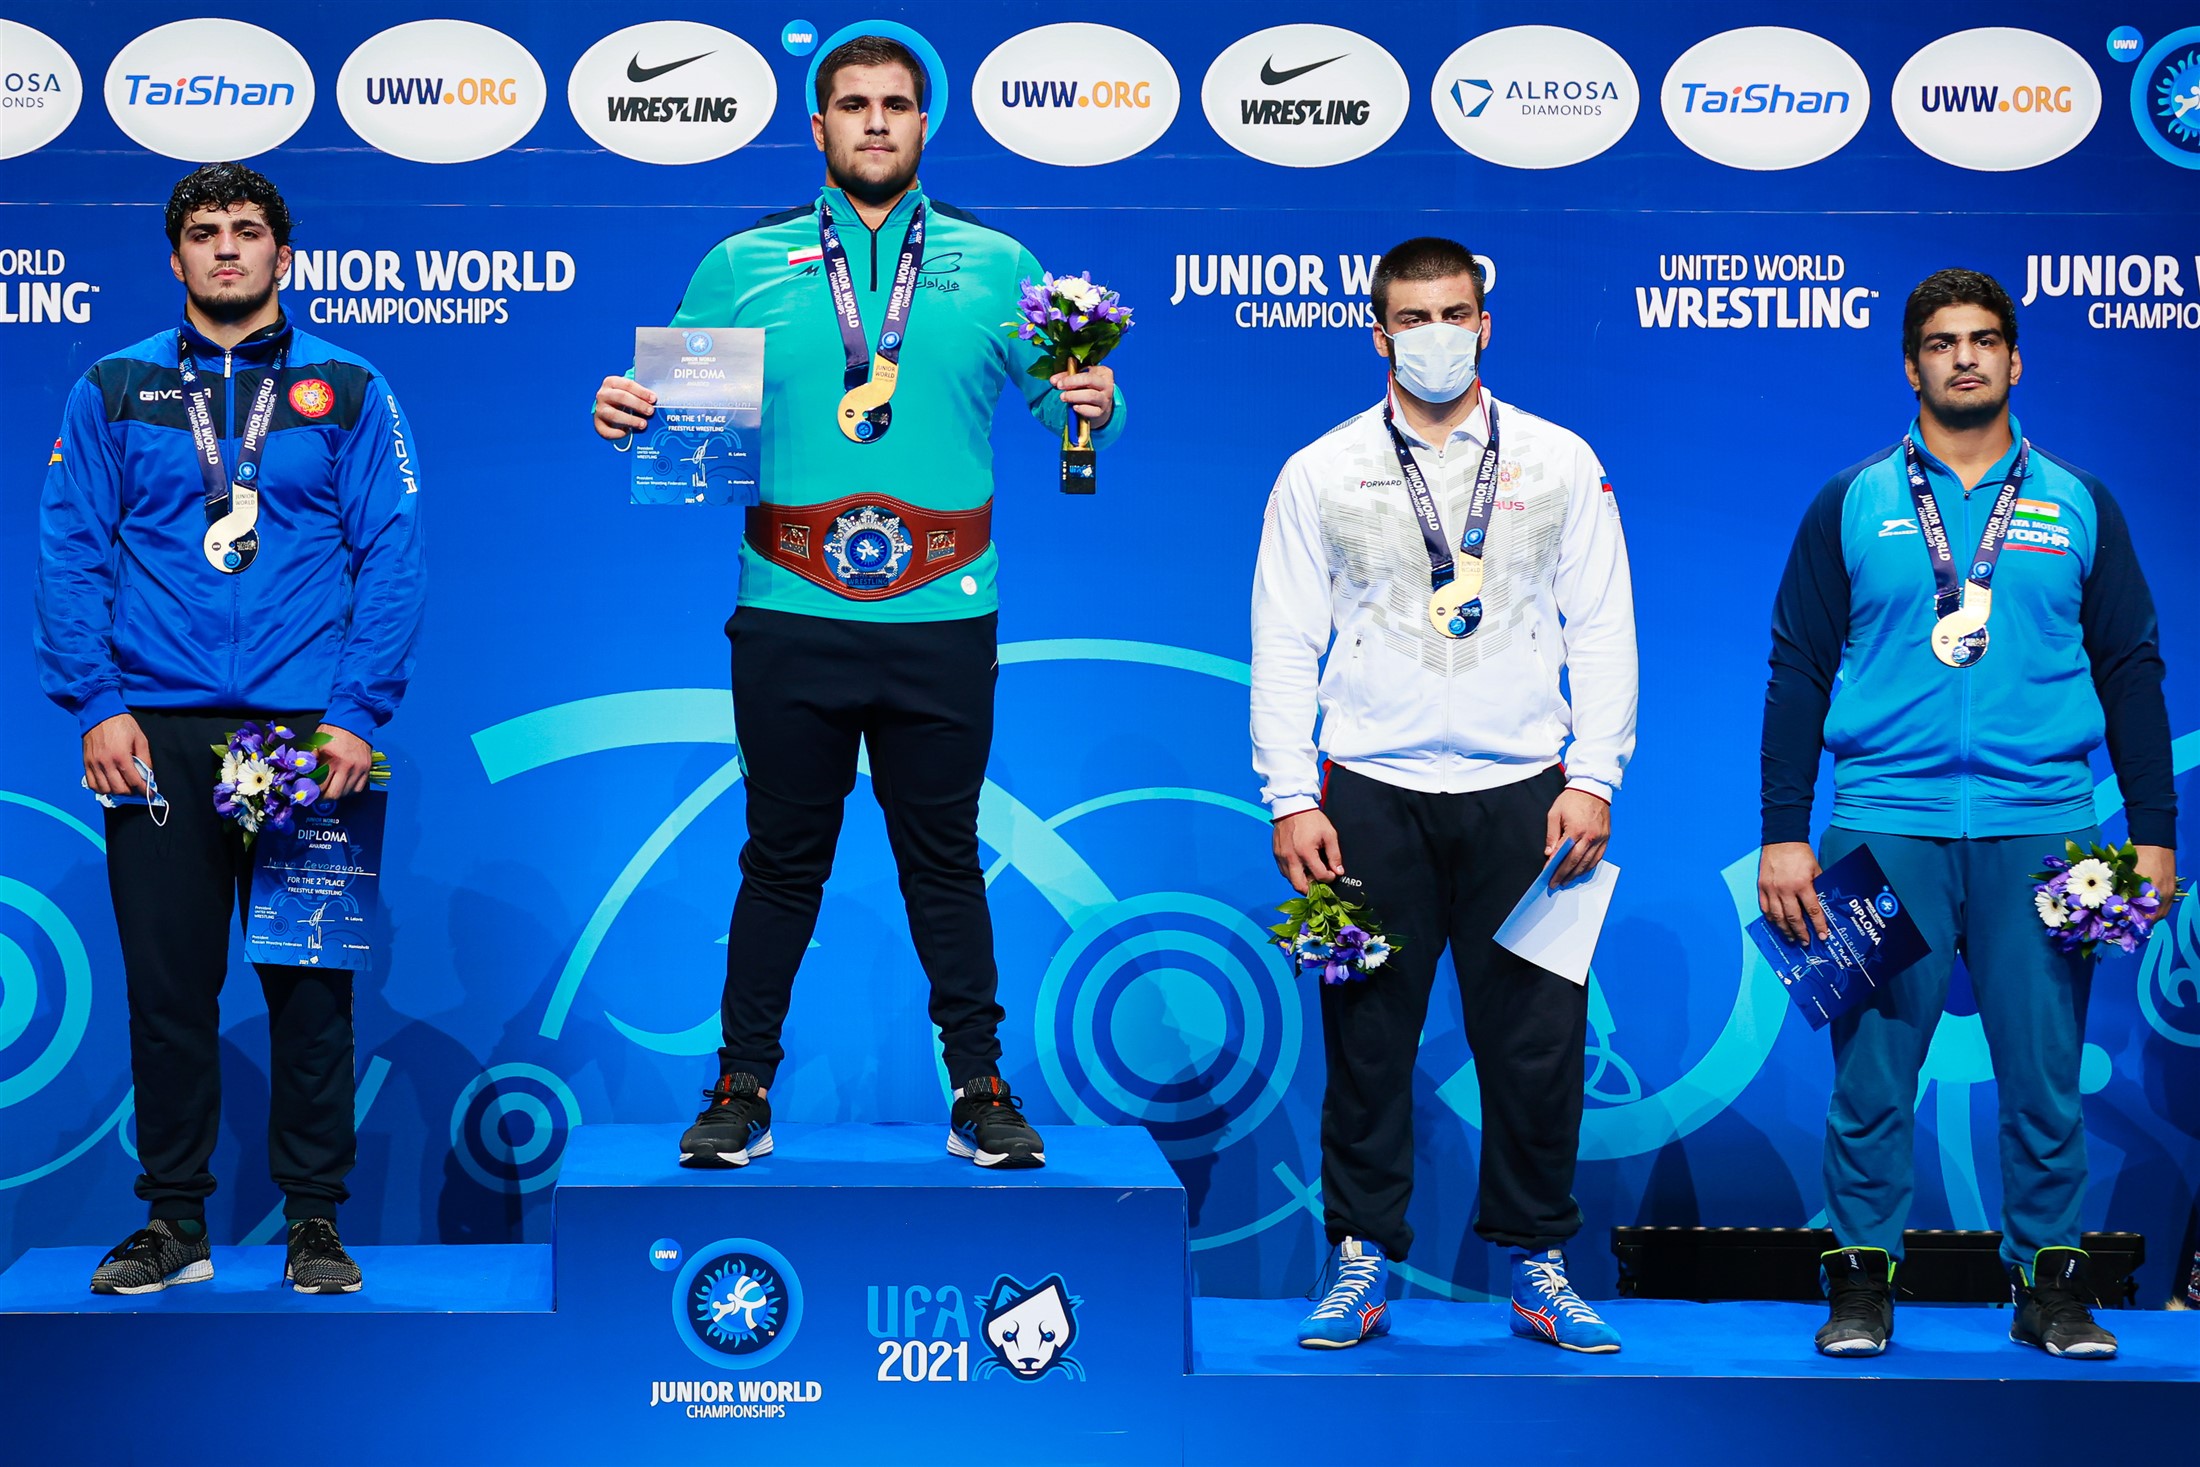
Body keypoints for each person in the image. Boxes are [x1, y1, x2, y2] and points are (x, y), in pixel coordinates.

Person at [592, 36, 1125, 1171]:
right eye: (852, 104)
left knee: (945, 860)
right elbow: (682, 429)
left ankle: (980, 1089)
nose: (874, 122)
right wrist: (632, 415)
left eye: (894, 104)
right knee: (781, 861)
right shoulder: (740, 263)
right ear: (819, 126)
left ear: (925, 124)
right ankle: (740, 1089)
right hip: (789, 610)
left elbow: (1067, 412)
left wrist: (1095, 401)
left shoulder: (999, 263)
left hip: (944, 617)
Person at [1759, 267, 2175, 1360]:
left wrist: (2155, 834)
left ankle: (2051, 1288)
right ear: (1912, 366)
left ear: (2015, 359)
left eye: (1984, 339)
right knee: (1869, 1077)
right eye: (1942, 342)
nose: (1964, 357)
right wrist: (1784, 832)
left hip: (2044, 827)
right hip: (1881, 822)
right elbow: (1797, 671)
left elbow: (2131, 670)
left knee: (2044, 1075)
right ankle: (1860, 1285)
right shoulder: (1851, 501)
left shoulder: (2078, 502)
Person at [35, 163, 425, 1295]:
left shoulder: (348, 386)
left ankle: (314, 1222)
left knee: (310, 986)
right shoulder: (114, 387)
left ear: (282, 256)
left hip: (302, 735)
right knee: (169, 992)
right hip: (156, 732)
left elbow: (392, 554)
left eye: (246, 231)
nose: (225, 248)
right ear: (175, 257)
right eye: (203, 232)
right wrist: (97, 702)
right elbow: (69, 550)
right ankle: (175, 1222)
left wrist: (354, 712)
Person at [1250, 237, 1637, 1351]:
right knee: (1368, 1041)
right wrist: (1291, 794)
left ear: (1484, 324)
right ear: (1377, 333)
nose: (1436, 336)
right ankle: (1360, 1259)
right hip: (1369, 793)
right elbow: (1284, 639)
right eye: (1412, 318)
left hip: (1530, 795)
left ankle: (1539, 1263)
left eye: (1454, 314)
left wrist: (1594, 774)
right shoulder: (1320, 469)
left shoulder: (1558, 459)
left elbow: (1602, 626)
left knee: (1538, 1041)